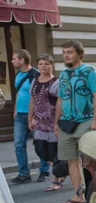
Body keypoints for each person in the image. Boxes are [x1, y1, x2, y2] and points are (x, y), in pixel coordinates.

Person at [55, 40, 96, 203]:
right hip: (66, 123)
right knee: (71, 160)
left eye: (70, 52)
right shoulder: (63, 74)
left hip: (86, 120)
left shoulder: (89, 72)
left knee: (87, 160)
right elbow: (61, 99)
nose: (66, 55)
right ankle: (78, 195)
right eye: (64, 52)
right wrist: (56, 123)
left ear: (79, 54)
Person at [10, 49, 50, 184]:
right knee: (19, 144)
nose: (12, 61)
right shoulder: (18, 75)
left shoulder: (35, 75)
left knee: (40, 143)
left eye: (14, 59)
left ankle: (44, 171)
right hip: (20, 116)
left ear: (22, 60)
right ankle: (24, 174)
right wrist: (15, 110)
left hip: (34, 116)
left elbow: (39, 98)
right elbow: (19, 93)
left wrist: (34, 116)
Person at [28, 54, 64, 192]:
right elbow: (32, 100)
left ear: (52, 65)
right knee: (41, 151)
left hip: (53, 122)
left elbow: (61, 102)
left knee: (53, 152)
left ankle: (55, 180)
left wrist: (57, 122)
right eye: (41, 64)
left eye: (47, 64)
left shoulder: (56, 82)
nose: (44, 66)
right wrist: (30, 118)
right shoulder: (35, 81)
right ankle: (62, 169)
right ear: (38, 66)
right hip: (39, 122)